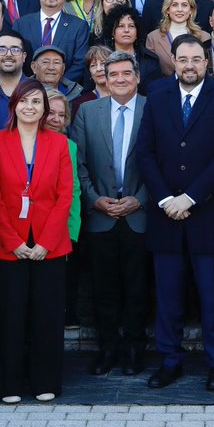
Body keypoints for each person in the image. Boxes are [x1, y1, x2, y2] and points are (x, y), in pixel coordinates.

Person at [136, 35, 214, 390]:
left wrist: (191, 197)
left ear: (206, 62)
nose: (190, 65)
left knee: (213, 297)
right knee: (168, 295)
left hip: (209, 215)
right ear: (175, 62)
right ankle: (170, 360)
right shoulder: (157, 96)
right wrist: (167, 199)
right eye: (183, 59)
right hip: (165, 214)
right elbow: (146, 153)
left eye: (196, 59)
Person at [0, 80, 74, 403]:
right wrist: (12, 240)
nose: (30, 107)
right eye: (24, 101)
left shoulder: (59, 144)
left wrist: (46, 243)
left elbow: (65, 196)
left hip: (48, 245)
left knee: (47, 316)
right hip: (7, 243)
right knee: (10, 316)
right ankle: (8, 384)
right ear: (14, 105)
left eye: (37, 102)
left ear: (45, 109)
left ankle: (44, 381)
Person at [69, 51, 150, 377]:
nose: (119, 79)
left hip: (139, 214)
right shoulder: (88, 112)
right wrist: (94, 199)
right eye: (112, 73)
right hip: (100, 215)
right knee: (103, 290)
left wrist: (140, 199)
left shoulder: (153, 110)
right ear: (103, 76)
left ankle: (133, 350)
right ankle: (107, 350)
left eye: (125, 73)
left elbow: (163, 163)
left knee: (138, 290)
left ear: (137, 77)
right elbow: (79, 163)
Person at [44, 88, 85, 331]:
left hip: (61, 231)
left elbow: (74, 190)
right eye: (51, 112)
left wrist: (71, 230)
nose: (56, 119)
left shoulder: (68, 145)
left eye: (61, 115)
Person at [17, 0, 90, 91]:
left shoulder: (78, 26)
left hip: (64, 93)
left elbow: (80, 63)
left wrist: (57, 86)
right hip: (27, 91)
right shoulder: (22, 24)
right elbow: (17, 60)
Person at [145, 0, 210, 76]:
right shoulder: (153, 37)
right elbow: (151, 72)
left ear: (191, 10)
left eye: (184, 5)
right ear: (167, 9)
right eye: (174, 5)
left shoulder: (204, 37)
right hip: (164, 87)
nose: (180, 9)